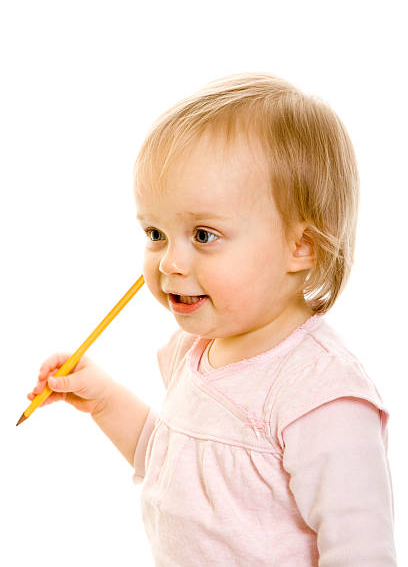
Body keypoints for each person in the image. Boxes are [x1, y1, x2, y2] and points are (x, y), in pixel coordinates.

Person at [28, 73, 398, 566]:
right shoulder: (195, 353)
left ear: (301, 246)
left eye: (203, 235)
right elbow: (171, 468)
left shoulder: (319, 393)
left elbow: (361, 549)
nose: (169, 263)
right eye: (156, 232)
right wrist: (105, 401)